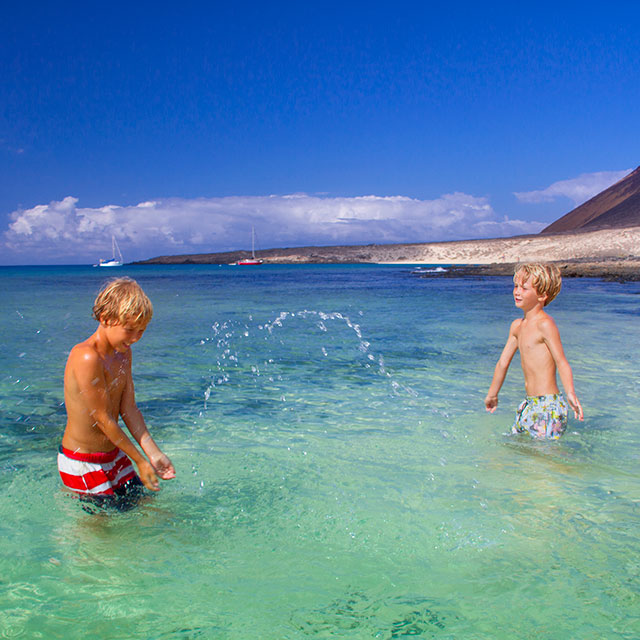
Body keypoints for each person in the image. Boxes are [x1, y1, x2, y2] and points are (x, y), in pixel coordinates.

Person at [58, 277, 175, 510]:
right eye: (129, 330)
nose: (135, 338)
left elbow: (128, 409)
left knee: (150, 510)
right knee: (101, 532)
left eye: (141, 331)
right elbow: (102, 418)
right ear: (106, 318)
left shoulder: (123, 354)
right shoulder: (86, 357)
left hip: (113, 456)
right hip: (83, 463)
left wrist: (153, 454)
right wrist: (139, 460)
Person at [484, 263, 583, 438]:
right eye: (516, 286)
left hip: (548, 405)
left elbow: (561, 361)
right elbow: (503, 363)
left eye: (524, 288)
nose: (517, 292)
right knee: (515, 449)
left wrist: (570, 393)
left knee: (545, 457)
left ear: (542, 295)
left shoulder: (545, 324)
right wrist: (492, 394)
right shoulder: (517, 326)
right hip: (529, 404)